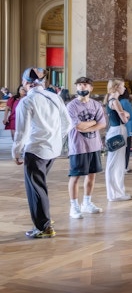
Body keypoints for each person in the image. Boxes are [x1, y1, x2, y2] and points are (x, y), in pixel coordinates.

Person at [13, 67, 71, 238]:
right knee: (40, 185)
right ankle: (44, 219)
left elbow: (21, 132)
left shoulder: (26, 102)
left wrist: (16, 151)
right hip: (52, 149)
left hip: (35, 150)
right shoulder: (54, 97)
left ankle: (43, 226)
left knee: (36, 189)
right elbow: (67, 123)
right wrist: (55, 139)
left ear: (26, 83)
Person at [66, 77, 107, 219]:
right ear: (76, 88)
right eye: (79, 85)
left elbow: (102, 124)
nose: (82, 87)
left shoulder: (96, 105)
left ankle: (87, 203)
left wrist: (91, 123)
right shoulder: (71, 106)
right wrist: (93, 122)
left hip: (94, 145)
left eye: (85, 85)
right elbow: (78, 126)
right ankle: (74, 206)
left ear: (91, 88)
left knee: (92, 175)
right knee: (75, 176)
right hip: (78, 146)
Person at [104, 78, 131, 202]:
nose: (124, 88)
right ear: (116, 87)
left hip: (114, 131)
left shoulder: (110, 99)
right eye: (122, 86)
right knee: (116, 164)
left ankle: (115, 192)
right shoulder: (115, 101)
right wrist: (127, 114)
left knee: (114, 163)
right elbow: (125, 119)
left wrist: (124, 113)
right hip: (118, 130)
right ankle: (116, 193)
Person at [119, 88, 132, 173]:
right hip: (127, 127)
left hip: (120, 127)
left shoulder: (117, 101)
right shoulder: (125, 101)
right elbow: (131, 116)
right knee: (127, 148)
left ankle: (122, 166)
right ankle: (125, 167)